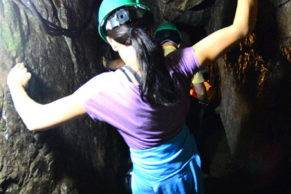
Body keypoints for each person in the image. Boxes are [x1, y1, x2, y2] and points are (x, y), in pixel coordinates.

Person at [7, 0, 258, 193]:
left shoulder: (104, 91)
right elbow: (241, 28)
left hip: (152, 181)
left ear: (111, 41)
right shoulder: (182, 62)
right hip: (186, 164)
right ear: (150, 29)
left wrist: (14, 84)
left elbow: (34, 119)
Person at [154, 22, 209, 104]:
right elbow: (201, 93)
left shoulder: (150, 59)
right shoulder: (189, 57)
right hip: (180, 110)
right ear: (179, 44)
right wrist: (204, 103)